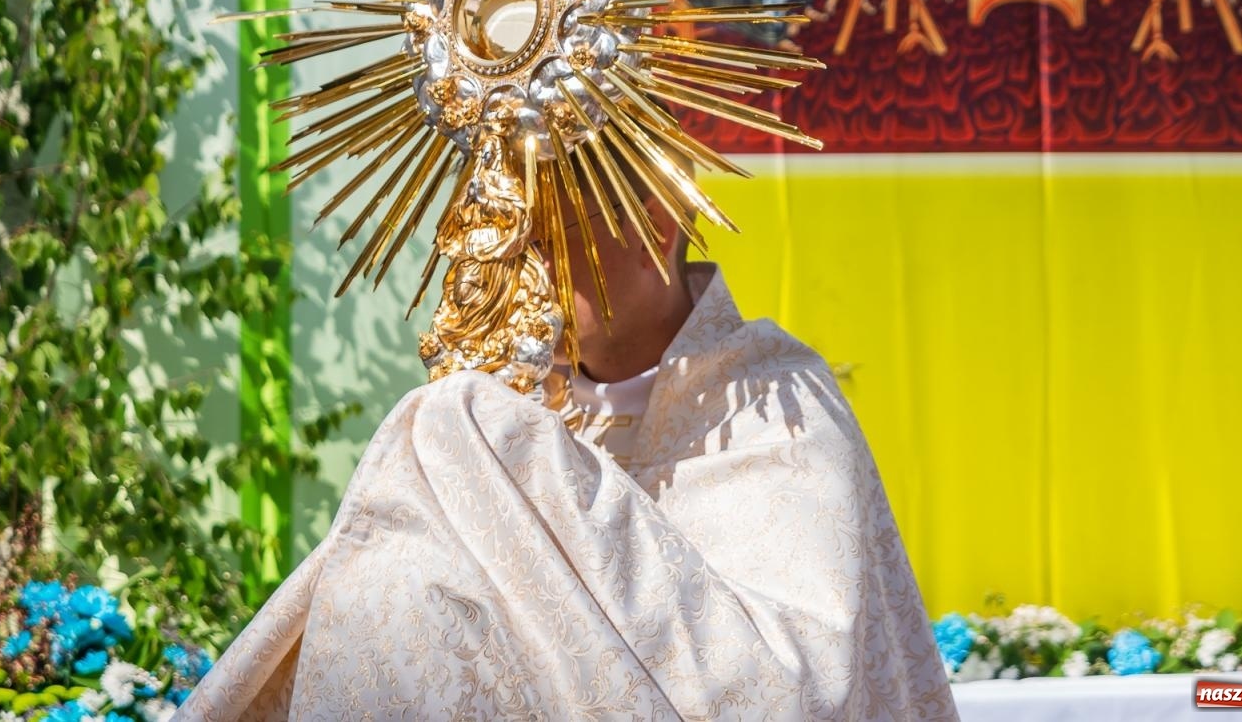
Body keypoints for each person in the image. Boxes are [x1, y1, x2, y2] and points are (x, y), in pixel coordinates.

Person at [173, 146, 962, 721]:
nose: (522, 271)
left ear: (657, 213)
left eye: (549, 231)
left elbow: (789, 695)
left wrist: (513, 448)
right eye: (502, 235)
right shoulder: (497, 440)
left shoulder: (774, 405)